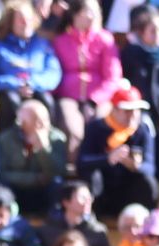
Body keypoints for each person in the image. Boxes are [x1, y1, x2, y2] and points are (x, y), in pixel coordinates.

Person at [77, 81, 159, 219]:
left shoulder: (142, 131)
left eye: (136, 110)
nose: (133, 115)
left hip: (128, 191)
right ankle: (92, 219)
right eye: (127, 111)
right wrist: (108, 159)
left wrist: (136, 166)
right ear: (114, 109)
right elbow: (82, 161)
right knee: (92, 175)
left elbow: (150, 167)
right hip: (103, 191)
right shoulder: (96, 127)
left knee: (147, 182)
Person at [52, 0, 123, 159]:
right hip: (69, 97)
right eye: (88, 12)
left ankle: (100, 163)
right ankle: (75, 165)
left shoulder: (105, 39)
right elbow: (54, 73)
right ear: (75, 15)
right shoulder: (61, 41)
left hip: (99, 98)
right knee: (72, 128)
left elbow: (113, 77)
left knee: (100, 123)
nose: (93, 16)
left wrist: (95, 99)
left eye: (96, 12)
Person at [0, 0, 62, 130]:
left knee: (46, 100)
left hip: (35, 89)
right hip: (9, 93)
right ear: (11, 22)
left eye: (29, 19)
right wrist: (16, 84)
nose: (26, 23)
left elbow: (53, 73)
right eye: (21, 20)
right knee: (11, 100)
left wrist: (31, 83)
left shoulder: (41, 44)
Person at [0, 99, 68, 217]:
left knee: (57, 183)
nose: (43, 124)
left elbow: (59, 171)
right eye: (36, 120)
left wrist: (42, 149)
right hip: (18, 188)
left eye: (46, 119)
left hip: (43, 190)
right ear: (22, 122)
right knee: (3, 186)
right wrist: (34, 179)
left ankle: (53, 219)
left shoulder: (57, 138)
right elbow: (3, 173)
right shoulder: (6, 138)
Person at [37, 179, 114, 246]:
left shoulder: (98, 231)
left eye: (89, 197)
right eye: (83, 198)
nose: (88, 201)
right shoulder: (48, 229)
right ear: (66, 202)